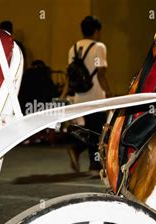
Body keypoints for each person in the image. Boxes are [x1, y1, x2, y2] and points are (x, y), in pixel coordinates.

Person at [61, 16, 113, 174]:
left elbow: (70, 74)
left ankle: (78, 152)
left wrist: (63, 94)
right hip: (95, 95)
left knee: (87, 129)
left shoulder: (73, 48)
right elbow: (100, 74)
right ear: (97, 31)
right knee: (98, 132)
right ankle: (94, 164)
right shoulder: (99, 47)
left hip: (79, 96)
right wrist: (109, 94)